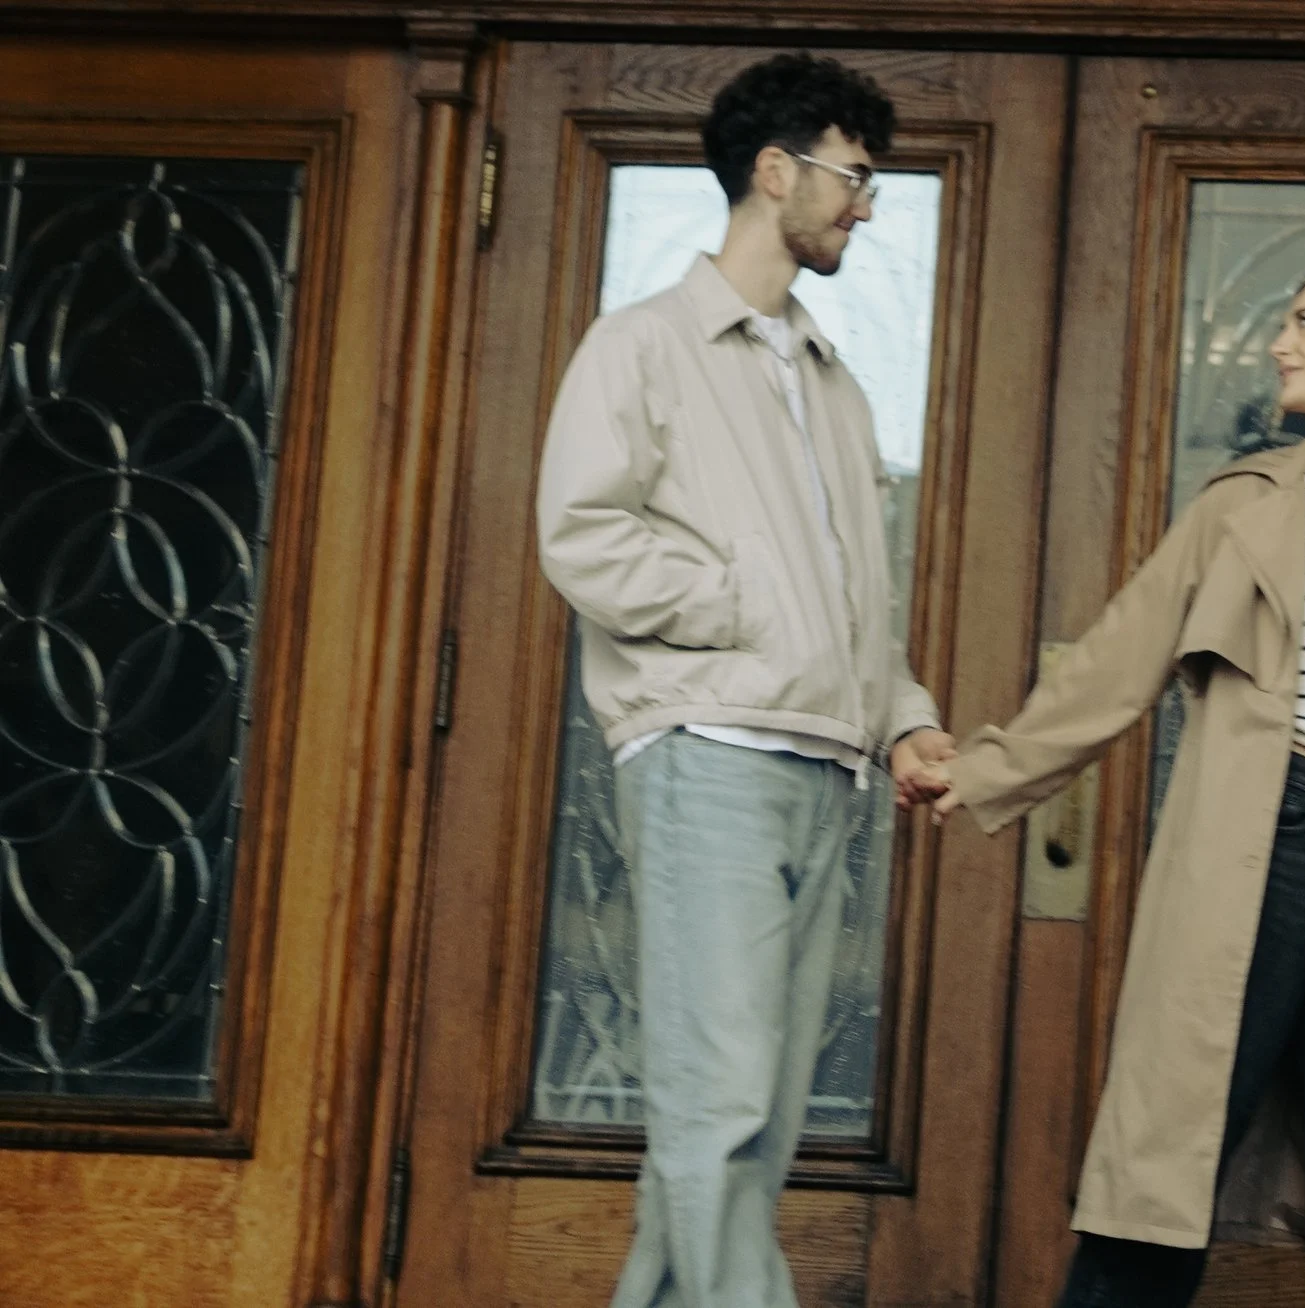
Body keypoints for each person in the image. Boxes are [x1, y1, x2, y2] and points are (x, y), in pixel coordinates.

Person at [933, 268, 1305, 1306]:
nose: (1280, 345)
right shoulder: (1246, 507)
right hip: (1275, 842)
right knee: (1175, 1150)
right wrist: (987, 768)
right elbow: (1122, 653)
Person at [534, 52, 954, 1308]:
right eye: (854, 177)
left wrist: (905, 723)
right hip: (708, 754)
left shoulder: (830, 382)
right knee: (717, 1104)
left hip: (824, 766)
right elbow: (581, 534)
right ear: (775, 174)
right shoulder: (643, 347)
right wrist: (736, 605)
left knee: (753, 1121)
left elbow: (851, 600)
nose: (866, 206)